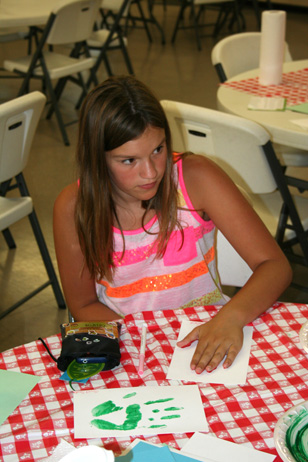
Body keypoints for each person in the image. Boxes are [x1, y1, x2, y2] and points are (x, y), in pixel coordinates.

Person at [53, 75, 292, 375]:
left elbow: (275, 265)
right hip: (132, 342)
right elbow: (83, 304)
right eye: (128, 161)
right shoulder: (74, 207)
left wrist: (231, 317)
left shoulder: (196, 178)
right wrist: (150, 342)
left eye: (158, 149)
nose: (150, 172)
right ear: (97, 160)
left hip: (213, 328)